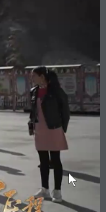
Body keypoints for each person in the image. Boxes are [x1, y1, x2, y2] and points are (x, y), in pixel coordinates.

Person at [29, 66, 70, 203]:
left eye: (34, 76)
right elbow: (33, 111)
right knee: (43, 161)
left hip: (53, 128)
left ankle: (57, 191)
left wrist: (61, 128)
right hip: (39, 129)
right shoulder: (33, 91)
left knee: (55, 160)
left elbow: (65, 111)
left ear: (42, 77)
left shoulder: (56, 91)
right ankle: (44, 189)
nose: (32, 78)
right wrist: (31, 123)